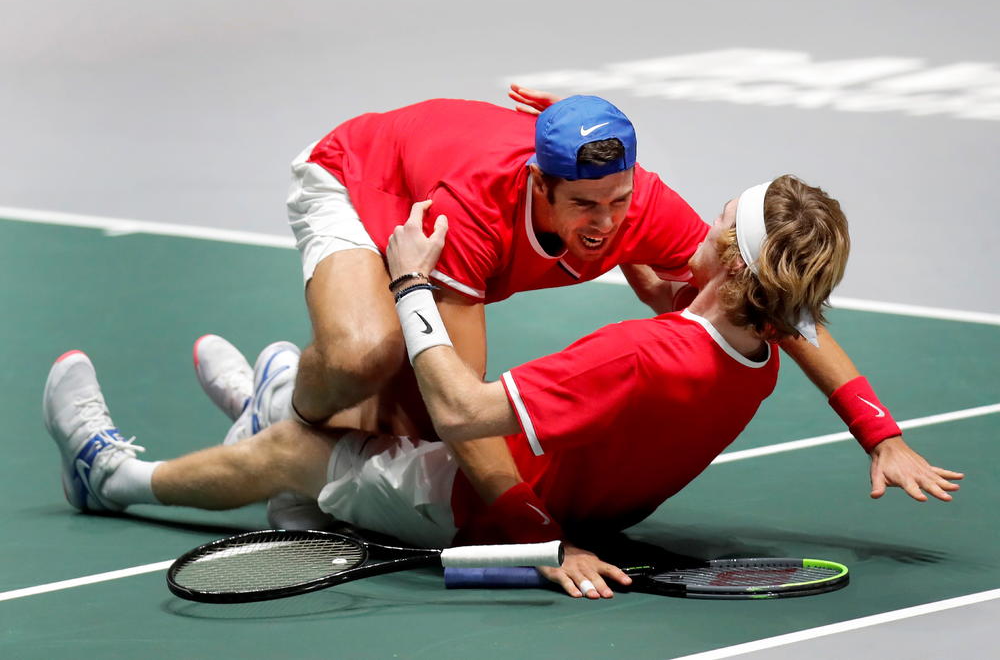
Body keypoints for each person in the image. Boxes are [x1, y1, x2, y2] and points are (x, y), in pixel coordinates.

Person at [42, 176, 963, 599]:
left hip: (475, 501)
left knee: (307, 441)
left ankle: (111, 474)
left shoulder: (641, 353)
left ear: (730, 253)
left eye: (724, 211)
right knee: (347, 399)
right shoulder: (754, 353)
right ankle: (269, 388)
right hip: (566, 500)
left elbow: (463, 409)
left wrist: (409, 283)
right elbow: (806, 329)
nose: (707, 207)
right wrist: (876, 427)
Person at [255, 93, 931, 527]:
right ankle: (281, 410)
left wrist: (879, 431)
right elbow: (459, 409)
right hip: (362, 172)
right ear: (542, 186)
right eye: (585, 204)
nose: (608, 221)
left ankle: (292, 446)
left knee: (410, 426)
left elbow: (778, 298)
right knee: (365, 356)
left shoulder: (642, 209)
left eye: (620, 200)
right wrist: (530, 525)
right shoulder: (474, 214)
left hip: (454, 214)